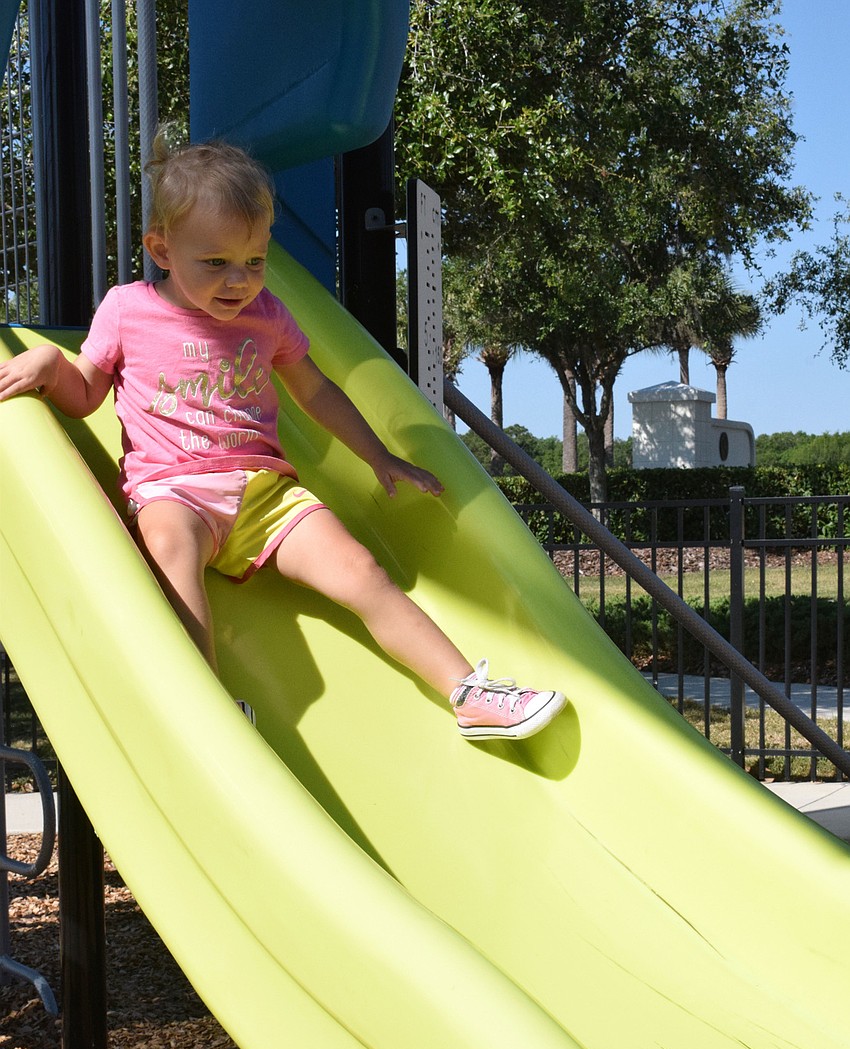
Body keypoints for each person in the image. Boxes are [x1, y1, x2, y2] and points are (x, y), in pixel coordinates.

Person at [0, 134, 565, 741]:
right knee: (171, 558)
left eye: (254, 261)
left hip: (266, 494)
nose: (238, 280)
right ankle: (205, 710)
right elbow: (86, 392)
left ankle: (468, 692)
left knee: (361, 569)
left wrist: (378, 456)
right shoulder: (127, 309)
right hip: (172, 491)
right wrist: (49, 368)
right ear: (161, 249)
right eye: (214, 263)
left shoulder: (266, 314)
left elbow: (315, 390)